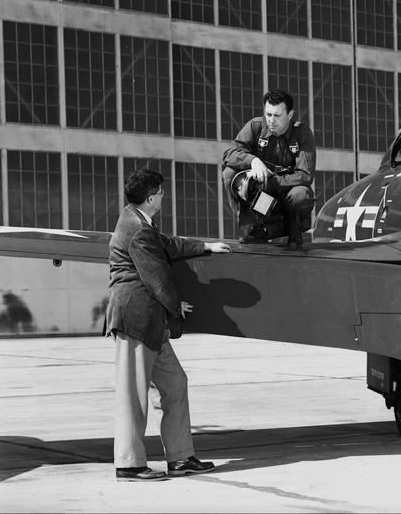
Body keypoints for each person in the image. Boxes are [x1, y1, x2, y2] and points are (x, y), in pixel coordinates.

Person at [104, 167, 232, 482]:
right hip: (136, 320)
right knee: (134, 396)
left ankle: (180, 458)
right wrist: (177, 307)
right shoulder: (136, 229)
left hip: (151, 323)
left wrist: (205, 247)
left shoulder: (138, 221)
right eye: (160, 192)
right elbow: (156, 278)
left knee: (175, 384)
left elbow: (167, 244)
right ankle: (129, 464)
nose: (164, 195)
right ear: (150, 198)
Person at [221, 88, 316, 250]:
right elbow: (229, 154)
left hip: (286, 197)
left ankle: (293, 229)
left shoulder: (302, 133)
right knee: (229, 173)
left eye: (277, 115)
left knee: (302, 194)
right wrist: (254, 161)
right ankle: (251, 227)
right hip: (260, 198)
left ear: (290, 115)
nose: (271, 120)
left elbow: (305, 175)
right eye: (268, 114)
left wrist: (271, 181)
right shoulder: (255, 126)